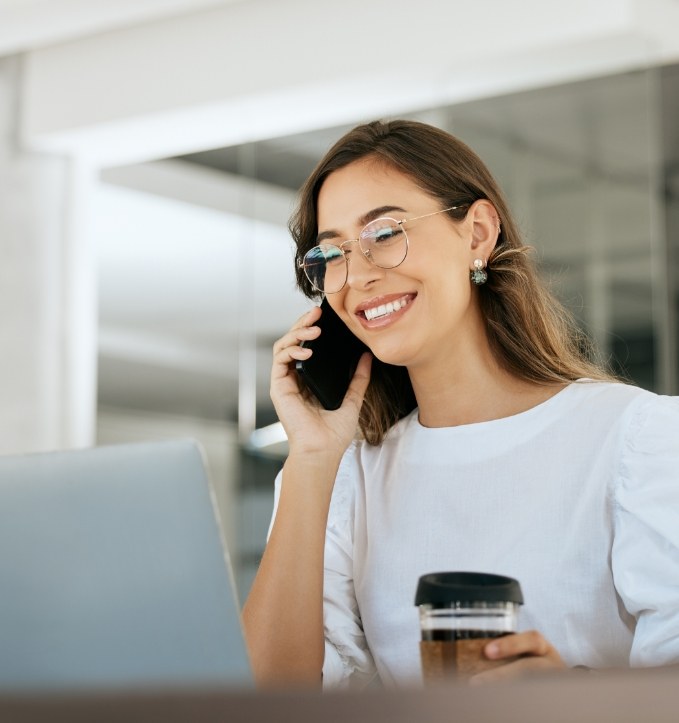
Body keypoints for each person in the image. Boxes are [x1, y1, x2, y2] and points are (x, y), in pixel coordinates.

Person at [242, 119, 679, 688]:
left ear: (476, 233)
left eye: (384, 233)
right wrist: (311, 459)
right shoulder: (341, 477)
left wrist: (576, 696)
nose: (359, 276)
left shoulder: (639, 439)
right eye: (332, 254)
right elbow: (272, 698)